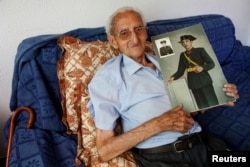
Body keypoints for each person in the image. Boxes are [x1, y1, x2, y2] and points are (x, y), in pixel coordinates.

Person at [87, 6, 239, 167]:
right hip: (164, 158)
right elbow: (104, 150)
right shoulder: (108, 78)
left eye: (139, 29)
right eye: (124, 33)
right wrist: (159, 124)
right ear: (113, 41)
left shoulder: (166, 62)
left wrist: (219, 96)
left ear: (145, 32)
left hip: (203, 145)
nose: (135, 38)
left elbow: (189, 108)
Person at [168, 35, 219, 109]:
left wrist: (202, 68)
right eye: (183, 42)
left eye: (187, 41)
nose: (185, 43)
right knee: (202, 107)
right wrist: (173, 77)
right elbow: (180, 70)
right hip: (193, 83)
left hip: (204, 81)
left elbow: (211, 64)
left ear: (191, 41)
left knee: (213, 103)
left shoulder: (200, 50)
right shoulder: (182, 55)